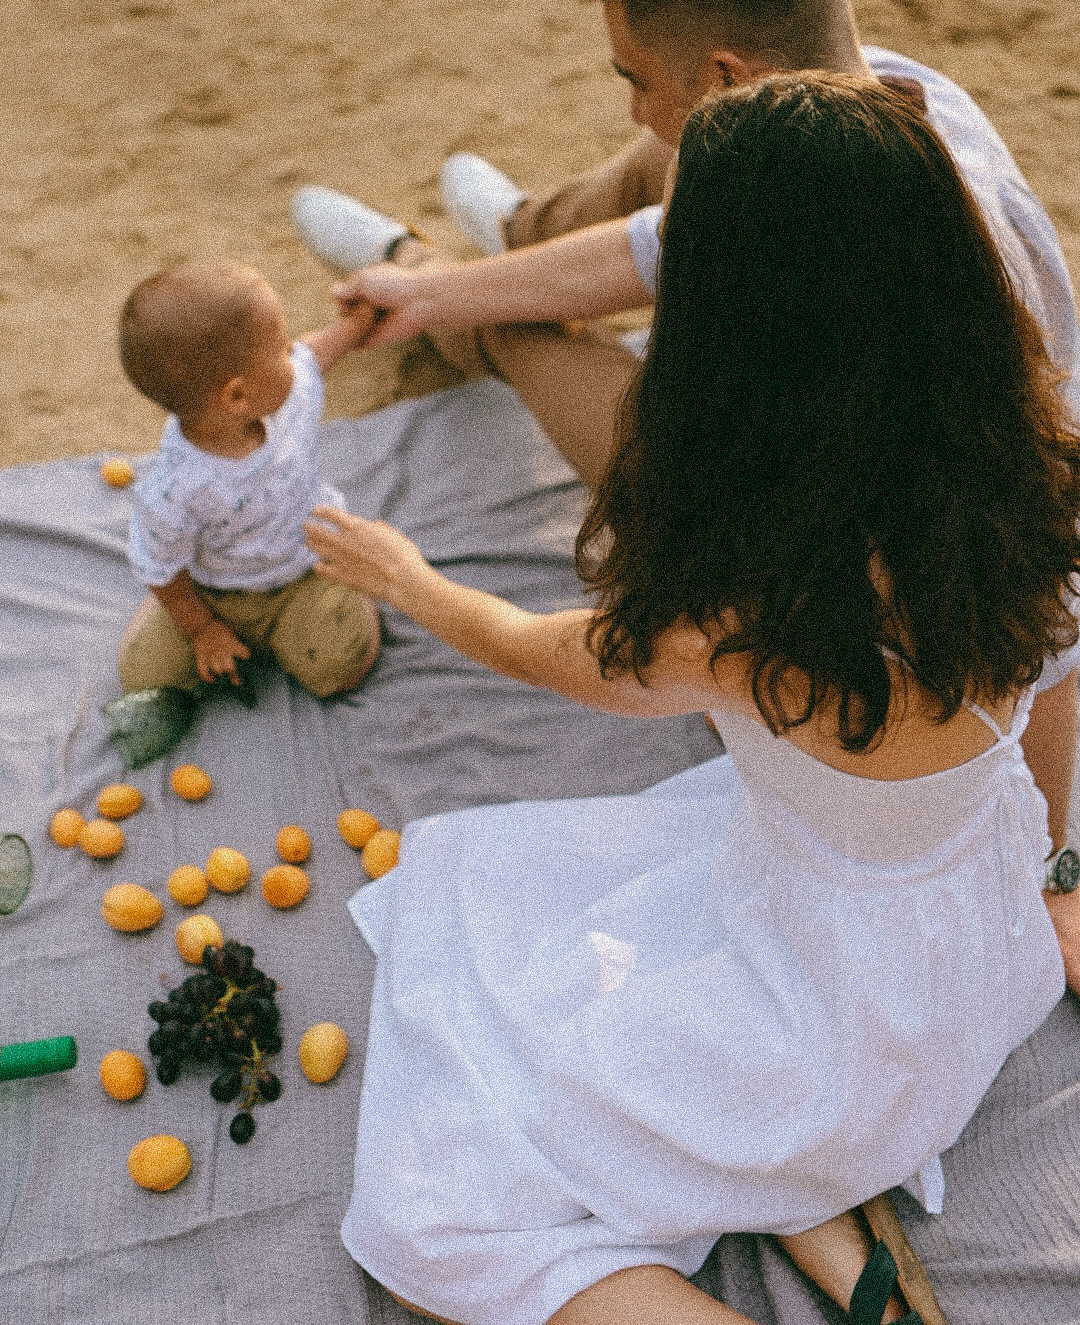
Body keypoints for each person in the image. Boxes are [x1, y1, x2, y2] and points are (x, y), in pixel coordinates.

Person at [305, 75, 1080, 1325]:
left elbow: (542, 649)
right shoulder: (1036, 475)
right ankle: (824, 1219)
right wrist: (1050, 873)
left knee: (441, 1222)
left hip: (839, 1024)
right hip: (975, 950)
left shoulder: (751, 608)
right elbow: (1057, 692)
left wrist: (411, 581)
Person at [292, 0, 1080, 989]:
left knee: (529, 314)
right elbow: (659, 232)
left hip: (784, 472)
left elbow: (1050, 589)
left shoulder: (948, 278)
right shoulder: (881, 96)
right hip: (785, 309)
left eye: (633, 76)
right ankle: (503, 234)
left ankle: (447, 289)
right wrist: (432, 292)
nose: (629, 102)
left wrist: (1060, 866)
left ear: (726, 75)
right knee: (662, 169)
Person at [115, 260, 380, 701]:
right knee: (146, 681)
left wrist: (360, 320)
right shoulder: (174, 492)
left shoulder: (288, 395)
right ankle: (193, 623)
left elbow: (316, 352)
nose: (291, 354)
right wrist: (201, 628)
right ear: (237, 395)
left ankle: (347, 594)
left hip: (304, 571)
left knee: (342, 666)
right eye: (279, 347)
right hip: (212, 592)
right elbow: (160, 568)